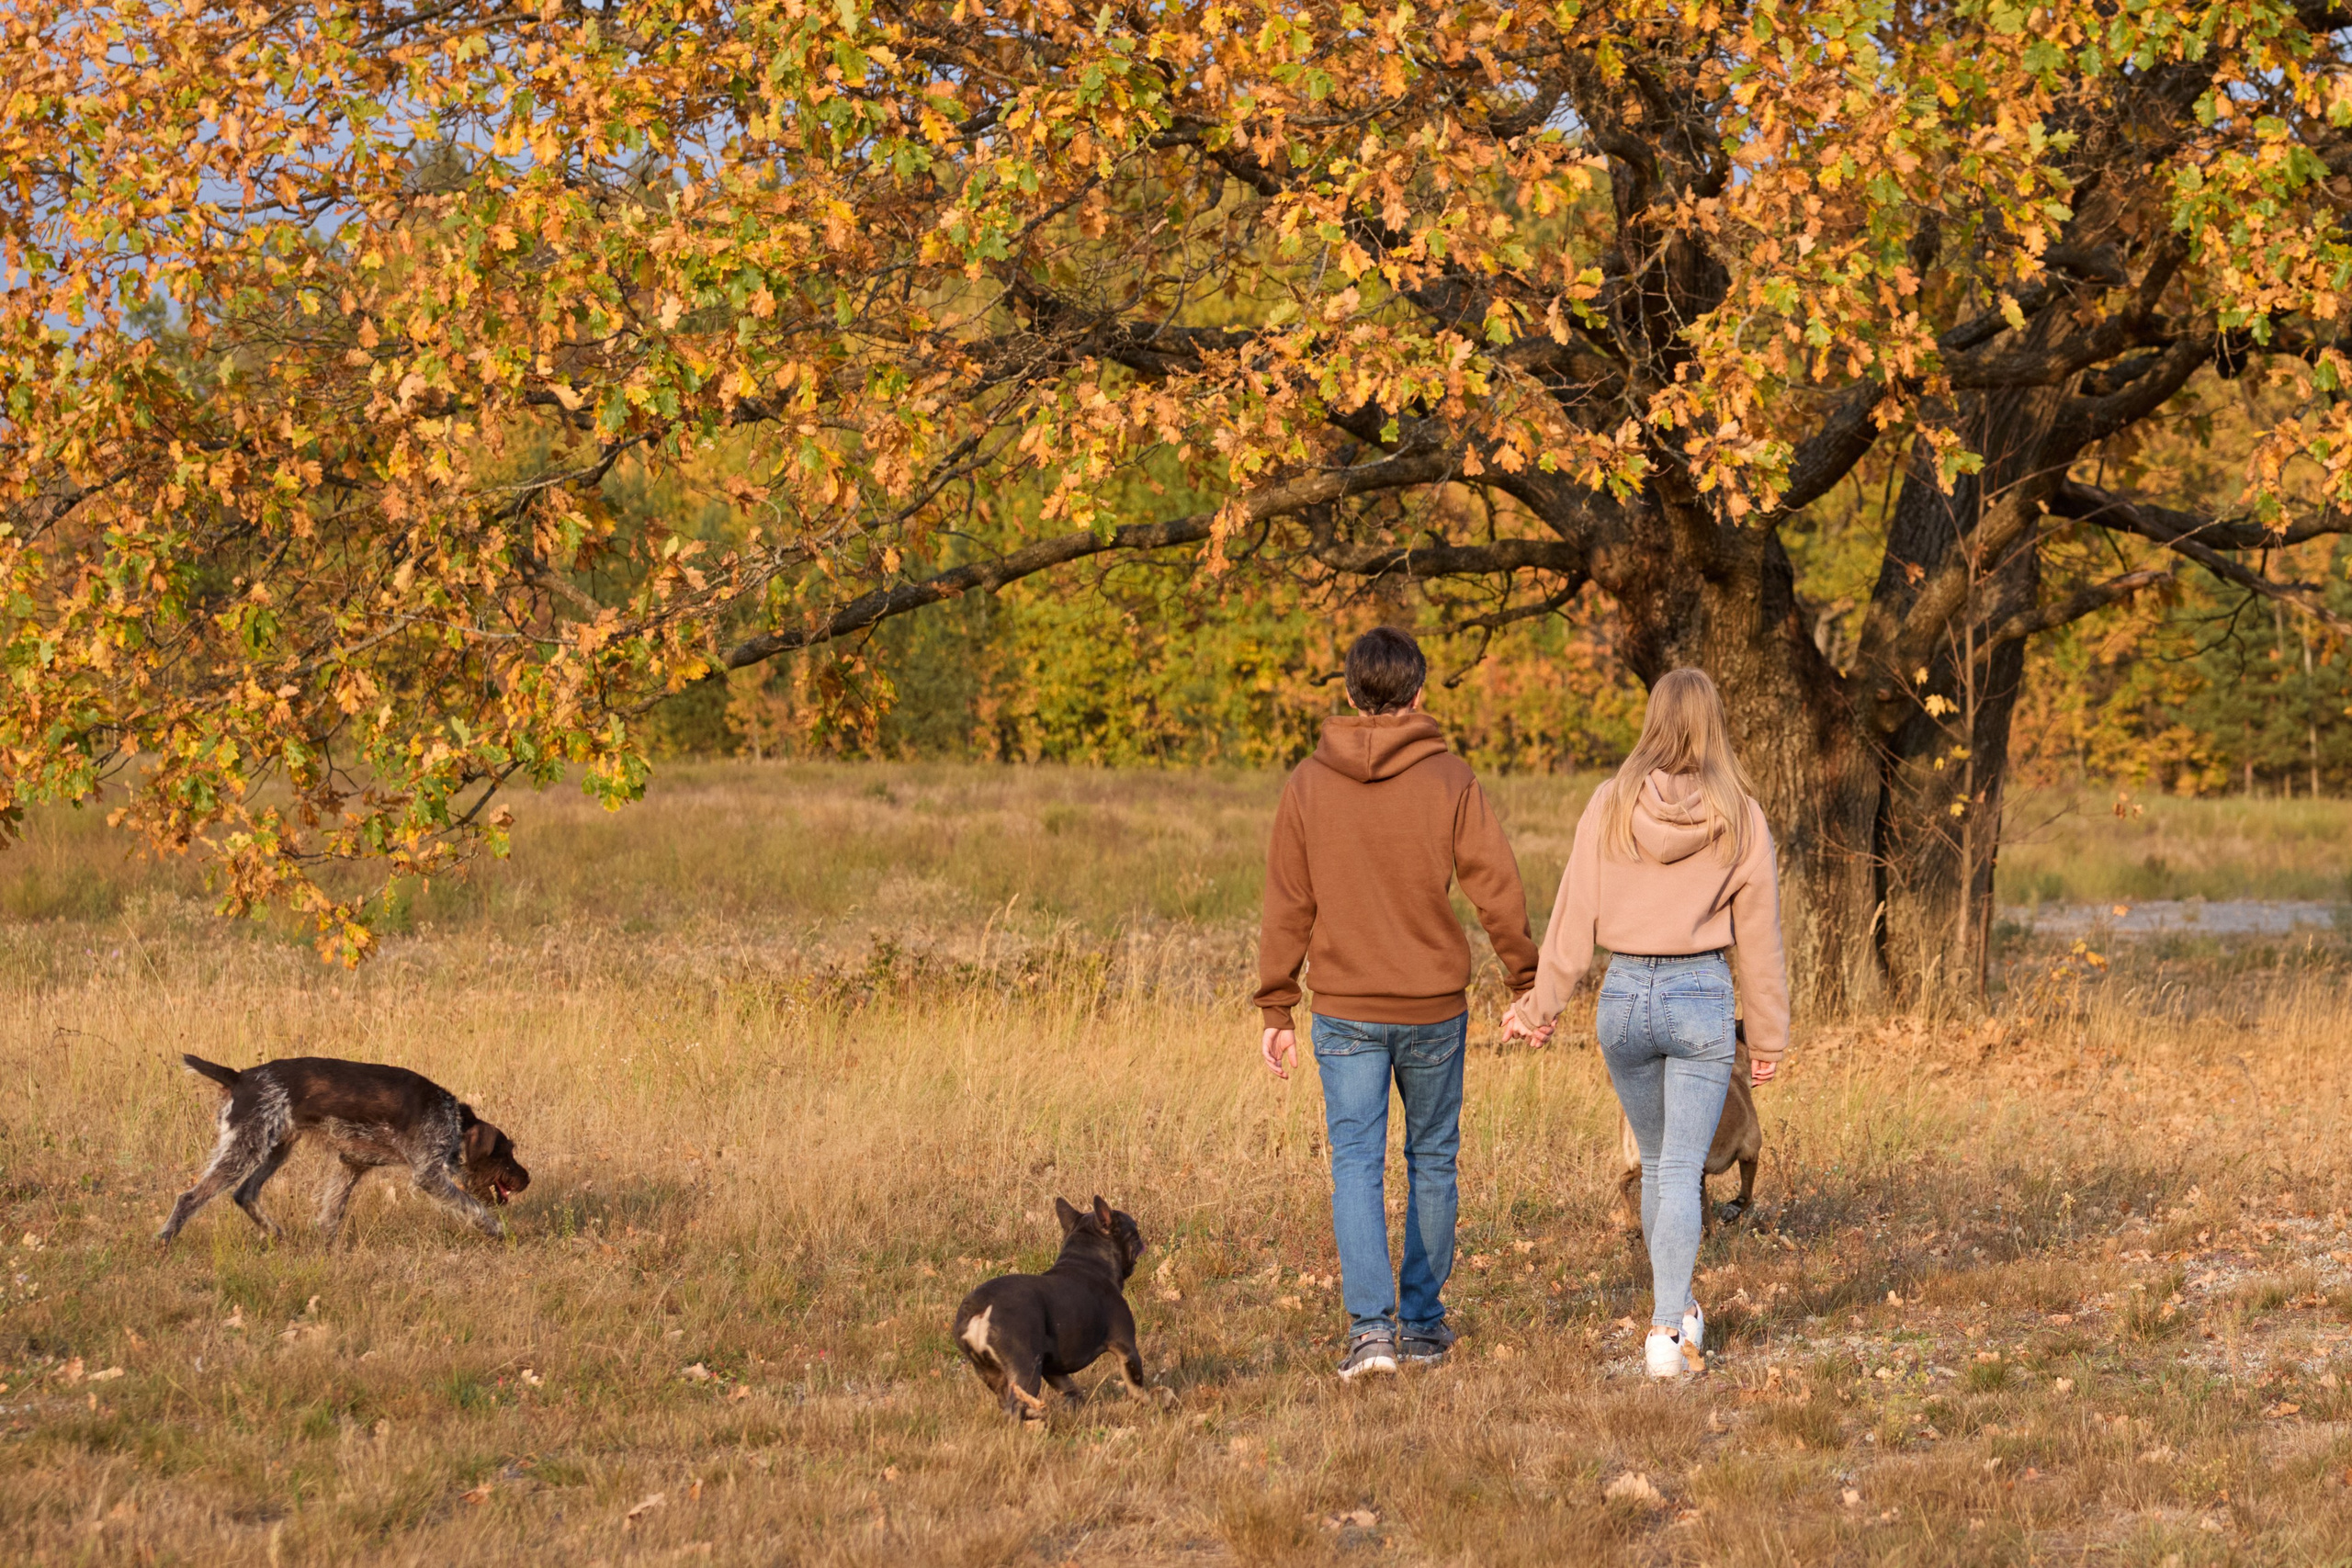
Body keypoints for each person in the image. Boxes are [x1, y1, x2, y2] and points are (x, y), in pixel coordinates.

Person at [1255, 626, 1539, 1380]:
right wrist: (1525, 979)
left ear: (1349, 692)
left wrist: (1276, 1007)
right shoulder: (1450, 778)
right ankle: (1420, 1326)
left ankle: (1370, 1333)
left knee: (1356, 1163)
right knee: (1433, 1159)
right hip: (1432, 1008)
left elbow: (1288, 902)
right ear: (1419, 695)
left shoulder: (1307, 784)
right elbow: (1496, 885)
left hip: (1344, 1008)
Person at [1501, 667, 1788, 1380]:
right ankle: (1668, 1327)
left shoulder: (1610, 802)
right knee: (1680, 1167)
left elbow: (1573, 917)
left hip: (1624, 996)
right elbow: (1760, 936)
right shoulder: (1741, 814)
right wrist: (1770, 1035)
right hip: (1699, 995)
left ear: (1654, 720)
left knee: (1659, 1162)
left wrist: (1540, 1008)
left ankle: (1675, 1312)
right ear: (1713, 723)